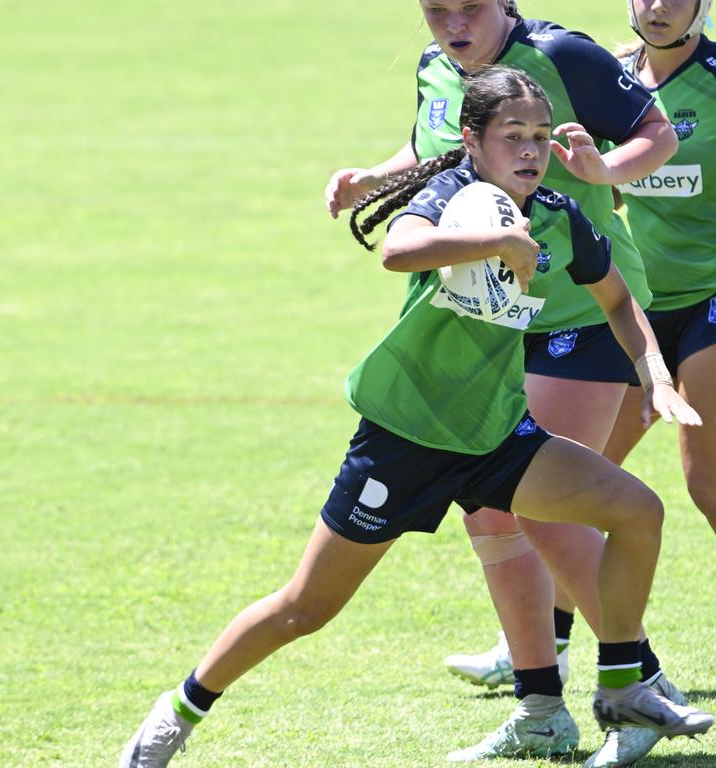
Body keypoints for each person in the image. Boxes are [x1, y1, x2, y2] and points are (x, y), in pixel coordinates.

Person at [117, 66, 711, 768]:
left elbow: (615, 298)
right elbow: (398, 250)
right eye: (511, 135)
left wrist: (652, 373)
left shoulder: (554, 210)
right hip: (404, 439)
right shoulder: (451, 195)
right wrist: (493, 244)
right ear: (473, 140)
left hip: (496, 436)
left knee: (638, 511)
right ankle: (176, 714)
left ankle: (621, 689)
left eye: (540, 136)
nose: (528, 149)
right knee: (306, 608)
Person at [326, 1, 688, 759]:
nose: (452, 22)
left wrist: (604, 169)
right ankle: (541, 701)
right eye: (436, 9)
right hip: (490, 322)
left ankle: (642, 686)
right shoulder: (439, 69)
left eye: (468, 7)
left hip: (576, 316)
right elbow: (431, 149)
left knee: (542, 513)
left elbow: (654, 130)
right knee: (493, 512)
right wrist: (374, 179)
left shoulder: (564, 55)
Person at [572, 2, 716, 766]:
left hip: (712, 305)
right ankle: (539, 649)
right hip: (639, 312)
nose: (658, 6)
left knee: (706, 486)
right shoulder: (616, 80)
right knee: (580, 477)